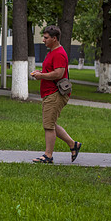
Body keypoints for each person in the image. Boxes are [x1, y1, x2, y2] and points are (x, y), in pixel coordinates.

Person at [30, 25, 82, 163]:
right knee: (51, 123)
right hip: (49, 93)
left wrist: (41, 76)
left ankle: (48, 156)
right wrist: (41, 73)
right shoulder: (52, 51)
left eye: (46, 38)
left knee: (49, 126)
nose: (43, 40)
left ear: (54, 38)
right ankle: (73, 144)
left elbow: (58, 73)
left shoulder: (58, 53)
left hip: (55, 94)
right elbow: (51, 70)